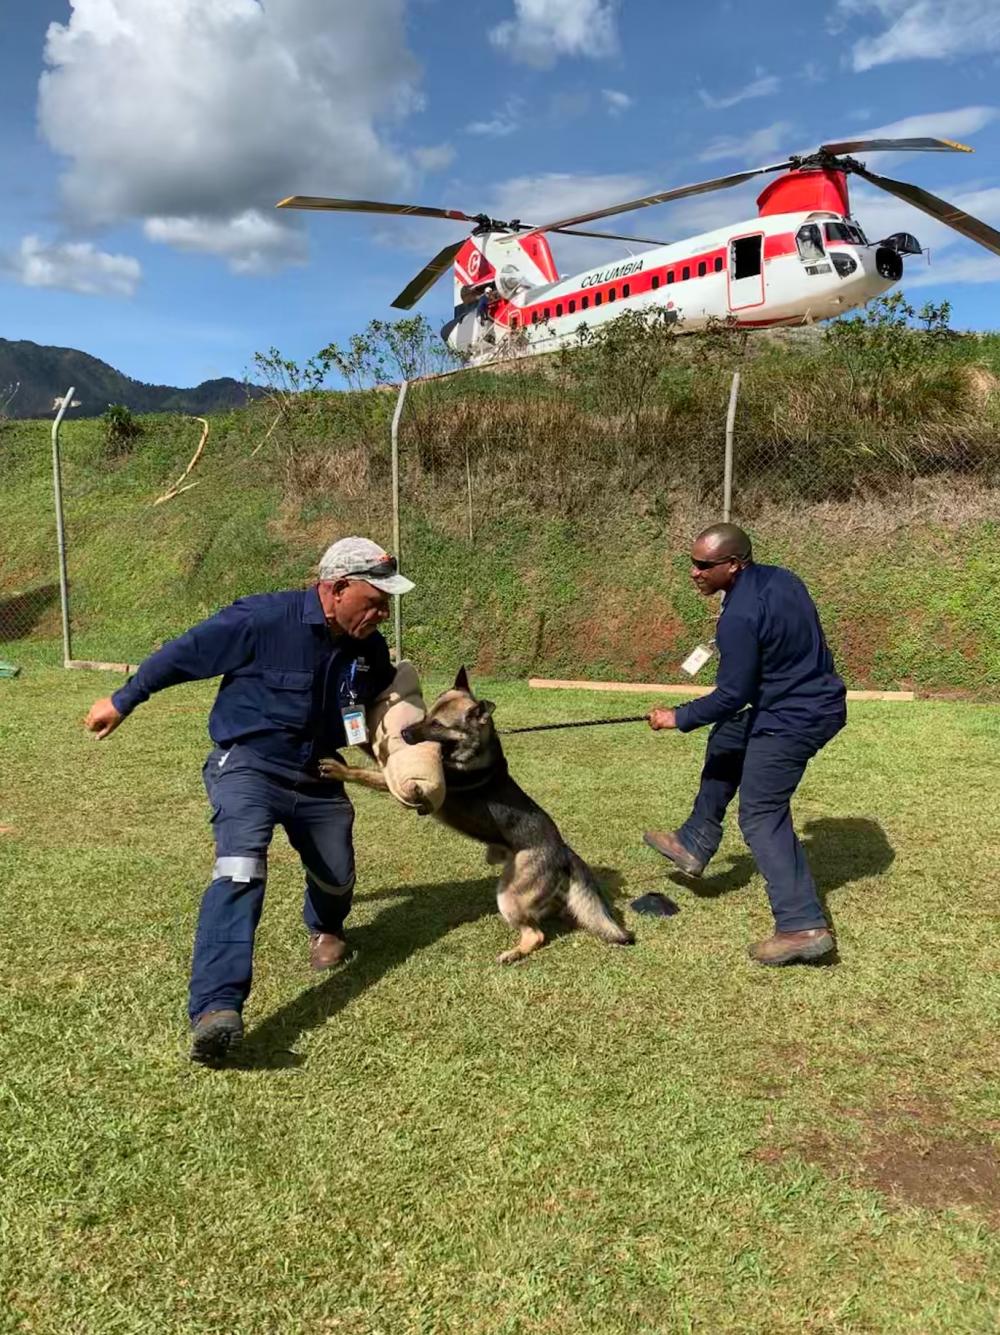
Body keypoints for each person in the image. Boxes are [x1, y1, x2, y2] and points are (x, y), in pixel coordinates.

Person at [83, 537, 414, 1062]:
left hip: (320, 771)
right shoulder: (262, 618)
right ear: (337, 588)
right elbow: (184, 654)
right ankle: (217, 1009)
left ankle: (326, 926)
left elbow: (375, 710)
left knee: (338, 875)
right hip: (249, 765)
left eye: (387, 603)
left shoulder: (368, 648)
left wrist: (405, 757)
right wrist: (123, 699)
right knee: (239, 867)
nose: (383, 612)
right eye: (375, 599)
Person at [643, 523, 846, 965]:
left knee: (761, 814)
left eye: (703, 565)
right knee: (731, 734)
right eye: (691, 563)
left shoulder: (739, 616)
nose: (694, 573)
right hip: (803, 700)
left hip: (795, 717)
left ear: (734, 564)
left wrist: (676, 717)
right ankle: (695, 839)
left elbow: (732, 694)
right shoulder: (783, 579)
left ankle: (801, 926)